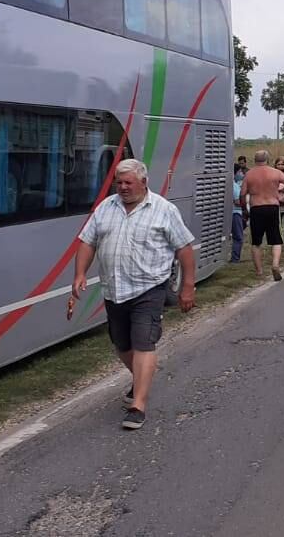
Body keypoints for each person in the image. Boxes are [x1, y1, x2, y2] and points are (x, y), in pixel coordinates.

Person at [73, 159, 195, 431]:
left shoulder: (164, 210)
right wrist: (79, 274)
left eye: (128, 182)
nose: (123, 187)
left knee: (143, 343)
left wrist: (188, 286)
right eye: (119, 182)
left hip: (149, 288)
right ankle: (142, 374)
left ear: (143, 182)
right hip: (114, 289)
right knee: (121, 344)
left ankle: (138, 405)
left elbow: (185, 249)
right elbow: (87, 241)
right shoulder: (106, 207)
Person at [240, 150, 284, 281]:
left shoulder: (249, 174)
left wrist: (244, 209)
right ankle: (275, 265)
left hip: (256, 207)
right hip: (272, 207)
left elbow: (242, 194)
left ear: (254, 160)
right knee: (276, 239)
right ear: (268, 160)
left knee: (256, 242)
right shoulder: (275, 172)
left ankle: (259, 271)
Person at [230, 165, 246, 263]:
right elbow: (237, 201)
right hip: (235, 213)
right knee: (238, 237)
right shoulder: (234, 186)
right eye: (239, 172)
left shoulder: (233, 184)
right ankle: (235, 259)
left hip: (233, 212)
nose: (241, 174)